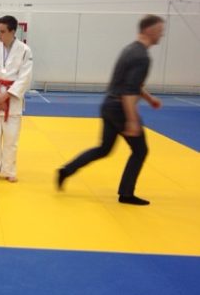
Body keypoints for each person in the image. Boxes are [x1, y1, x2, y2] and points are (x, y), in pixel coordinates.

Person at [57, 14, 165, 205]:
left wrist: (149, 99)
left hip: (108, 105)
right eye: (159, 31)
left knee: (104, 149)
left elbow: (132, 84)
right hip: (120, 108)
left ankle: (66, 170)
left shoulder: (129, 49)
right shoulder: (142, 56)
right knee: (140, 151)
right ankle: (126, 193)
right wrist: (132, 120)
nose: (162, 35)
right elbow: (128, 91)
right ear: (149, 30)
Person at [0, 15, 33, 182]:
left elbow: (25, 77)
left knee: (11, 139)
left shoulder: (25, 50)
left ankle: (9, 171)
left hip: (13, 99)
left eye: (2, 31)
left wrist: (7, 95)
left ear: (12, 31)